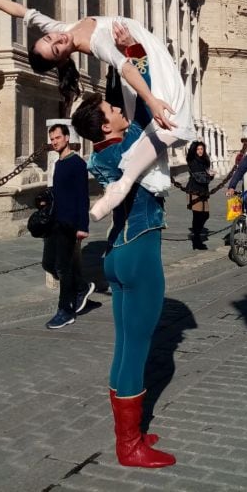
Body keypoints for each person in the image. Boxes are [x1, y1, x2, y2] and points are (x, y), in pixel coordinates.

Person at [0, 0, 195, 219]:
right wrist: (151, 100)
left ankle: (122, 183)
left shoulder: (61, 29)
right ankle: (123, 184)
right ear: (61, 59)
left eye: (50, 38)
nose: (58, 39)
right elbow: (127, 69)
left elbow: (21, 11)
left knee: (164, 128)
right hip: (144, 57)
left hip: (142, 46)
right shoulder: (97, 43)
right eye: (57, 48)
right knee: (170, 122)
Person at [71, 28, 176, 469]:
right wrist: (143, 60)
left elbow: (128, 99)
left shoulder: (102, 152)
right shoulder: (129, 146)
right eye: (112, 110)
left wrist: (126, 51)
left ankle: (129, 432)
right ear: (106, 124)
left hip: (116, 253)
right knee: (138, 350)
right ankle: (129, 445)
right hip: (139, 252)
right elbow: (150, 108)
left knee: (124, 347)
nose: (118, 109)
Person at [41, 124, 95, 329]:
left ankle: (65, 311)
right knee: (48, 263)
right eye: (52, 139)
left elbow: (83, 197)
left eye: (57, 138)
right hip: (54, 222)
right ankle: (81, 287)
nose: (54, 142)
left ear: (66, 138)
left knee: (63, 268)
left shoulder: (77, 164)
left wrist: (83, 226)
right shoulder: (59, 163)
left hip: (69, 223)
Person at [185, 141, 213, 250]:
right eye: (198, 149)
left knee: (205, 214)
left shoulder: (204, 161)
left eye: (201, 149)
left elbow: (204, 178)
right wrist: (209, 175)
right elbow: (200, 177)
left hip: (203, 191)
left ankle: (196, 236)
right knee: (197, 215)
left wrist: (209, 175)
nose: (200, 151)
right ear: (194, 150)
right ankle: (196, 241)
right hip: (195, 191)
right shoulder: (193, 161)